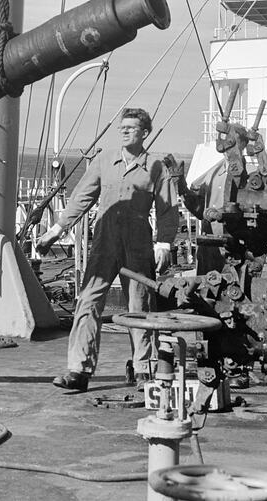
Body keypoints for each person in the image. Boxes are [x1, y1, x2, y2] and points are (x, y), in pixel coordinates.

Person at [35, 106, 191, 392]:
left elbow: (167, 209)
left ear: (145, 133)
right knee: (88, 301)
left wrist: (164, 244)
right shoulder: (103, 160)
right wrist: (56, 230)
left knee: (139, 306)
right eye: (123, 127)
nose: (125, 131)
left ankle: (144, 369)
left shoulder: (156, 167)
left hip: (138, 244)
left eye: (131, 127)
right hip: (105, 242)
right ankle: (79, 371)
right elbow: (82, 198)